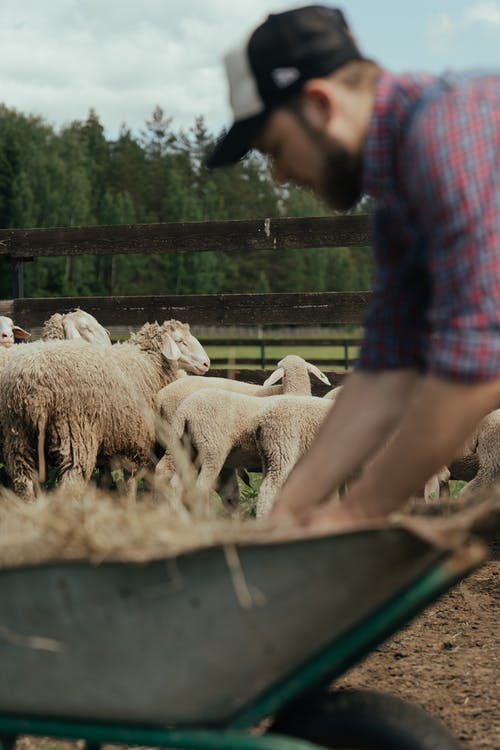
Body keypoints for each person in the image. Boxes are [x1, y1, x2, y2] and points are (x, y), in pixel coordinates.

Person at [206, 4, 500, 531]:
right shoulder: (398, 200)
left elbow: (479, 366)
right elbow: (384, 370)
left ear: (318, 104)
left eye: (274, 148)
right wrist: (290, 514)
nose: (278, 175)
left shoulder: (446, 139)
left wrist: (356, 513)